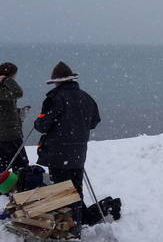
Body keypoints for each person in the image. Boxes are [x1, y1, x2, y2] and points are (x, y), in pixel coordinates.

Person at [34, 61, 101, 238]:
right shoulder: (86, 97)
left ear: (57, 81)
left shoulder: (54, 99)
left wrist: (38, 121)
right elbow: (94, 121)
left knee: (60, 194)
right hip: (78, 154)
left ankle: (64, 231)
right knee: (76, 191)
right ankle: (75, 228)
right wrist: (77, 128)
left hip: (58, 154)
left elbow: (42, 125)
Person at [0, 166, 121, 225]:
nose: (11, 194)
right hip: (62, 195)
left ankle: (109, 205)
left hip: (66, 196)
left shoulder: (29, 183)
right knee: (84, 217)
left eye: (10, 191)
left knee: (86, 220)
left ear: (12, 185)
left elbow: (24, 203)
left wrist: (7, 214)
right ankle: (107, 203)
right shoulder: (22, 178)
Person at [0, 62, 30, 185]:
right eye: (15, 76)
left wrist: (19, 112)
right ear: (10, 75)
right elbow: (18, 93)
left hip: (2, 132)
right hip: (8, 133)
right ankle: (19, 188)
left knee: (3, 164)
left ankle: (3, 189)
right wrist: (7, 81)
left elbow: (3, 109)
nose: (16, 78)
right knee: (21, 163)